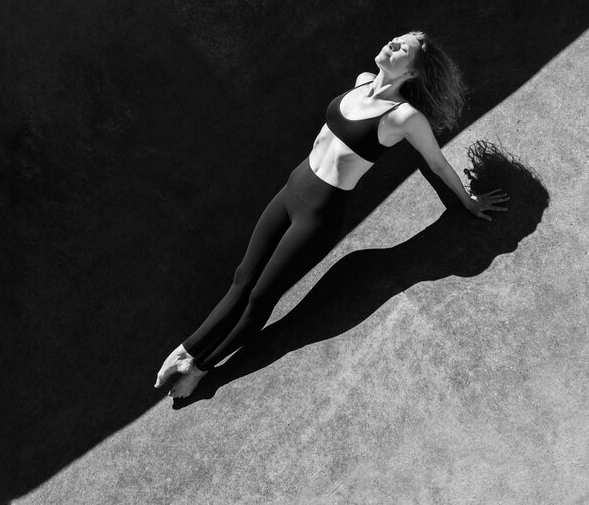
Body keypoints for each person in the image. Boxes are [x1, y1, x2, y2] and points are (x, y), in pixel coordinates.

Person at [154, 31, 510, 399]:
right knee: (243, 277)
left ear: (415, 72)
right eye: (395, 38)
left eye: (403, 47)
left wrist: (467, 200)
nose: (392, 43)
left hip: (318, 216)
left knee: (261, 296)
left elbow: (434, 162)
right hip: (290, 190)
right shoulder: (361, 83)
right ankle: (188, 349)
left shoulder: (403, 116)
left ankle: (200, 368)